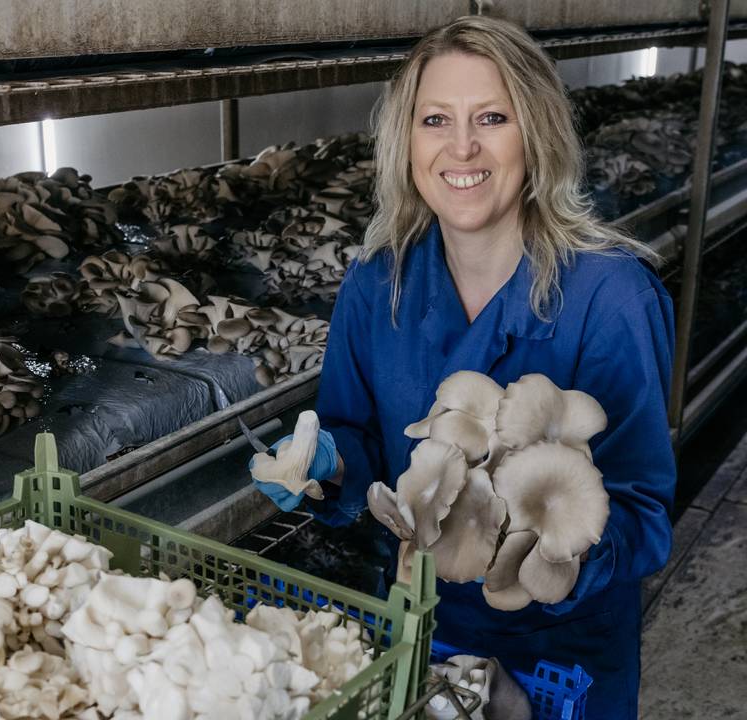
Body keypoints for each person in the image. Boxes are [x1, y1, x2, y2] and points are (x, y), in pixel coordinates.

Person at [251, 15, 676, 719]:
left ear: (535, 134)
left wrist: (562, 553)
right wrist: (327, 463)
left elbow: (643, 511)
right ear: (407, 141)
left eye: (492, 118)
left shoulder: (611, 298)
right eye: (435, 120)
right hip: (423, 627)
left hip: (565, 654)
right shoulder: (378, 285)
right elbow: (359, 437)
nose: (462, 147)